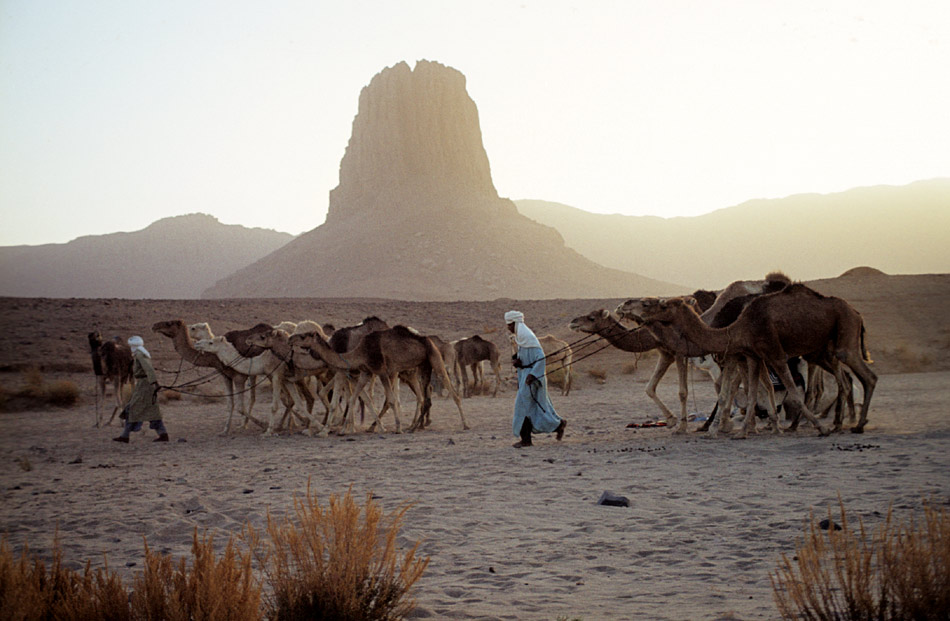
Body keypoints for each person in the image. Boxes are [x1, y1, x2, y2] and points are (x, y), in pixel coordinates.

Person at [505, 311, 566, 448]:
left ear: (515, 323)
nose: (508, 328)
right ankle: (558, 425)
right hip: (525, 375)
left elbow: (540, 358)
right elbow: (525, 355)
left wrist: (533, 375)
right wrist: (517, 360)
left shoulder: (527, 337)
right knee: (532, 408)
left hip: (531, 377)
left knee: (522, 407)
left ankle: (526, 440)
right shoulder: (522, 338)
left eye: (509, 325)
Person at [113, 335, 168, 443]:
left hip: (144, 385)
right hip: (144, 384)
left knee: (132, 408)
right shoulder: (141, 354)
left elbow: (149, 369)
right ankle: (163, 434)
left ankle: (125, 436)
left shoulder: (139, 354)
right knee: (151, 410)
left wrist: (154, 382)